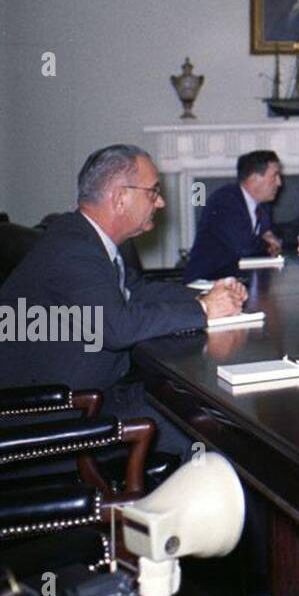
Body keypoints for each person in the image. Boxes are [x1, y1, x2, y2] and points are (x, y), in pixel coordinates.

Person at [0, 145, 245, 422]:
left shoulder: (85, 237)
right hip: (56, 415)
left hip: (97, 392)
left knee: (202, 412)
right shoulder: (74, 249)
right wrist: (203, 311)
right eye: (153, 191)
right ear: (119, 198)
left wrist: (208, 294)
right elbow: (117, 328)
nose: (161, 202)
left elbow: (136, 290)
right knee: (209, 427)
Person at [183, 150, 283, 282]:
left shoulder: (262, 204)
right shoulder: (225, 201)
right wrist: (268, 243)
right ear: (254, 178)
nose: (279, 183)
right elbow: (245, 247)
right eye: (275, 176)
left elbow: (268, 235)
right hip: (207, 283)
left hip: (239, 280)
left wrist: (271, 240)